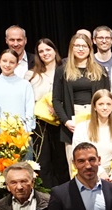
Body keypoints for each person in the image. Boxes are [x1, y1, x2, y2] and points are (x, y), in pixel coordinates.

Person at [52, 33, 110, 167]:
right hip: (72, 120)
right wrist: (66, 122)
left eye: (84, 46)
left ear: (90, 48)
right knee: (76, 164)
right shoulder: (62, 71)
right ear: (71, 48)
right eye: (77, 45)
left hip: (95, 117)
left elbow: (107, 96)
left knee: (96, 161)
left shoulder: (100, 70)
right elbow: (56, 100)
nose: (80, 49)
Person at [26, 38, 70, 187]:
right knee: (43, 161)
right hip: (41, 124)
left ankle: (65, 193)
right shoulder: (31, 75)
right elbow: (28, 100)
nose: (45, 53)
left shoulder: (66, 70)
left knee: (62, 160)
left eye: (48, 49)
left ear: (55, 51)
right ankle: (46, 195)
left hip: (62, 121)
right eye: (41, 51)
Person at [0, 49, 36, 132]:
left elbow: (30, 108)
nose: (7, 65)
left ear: (17, 64)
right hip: (1, 134)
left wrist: (26, 129)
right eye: (4, 61)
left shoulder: (25, 84)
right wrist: (0, 129)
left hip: (23, 134)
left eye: (12, 62)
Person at [72, 90, 112, 181]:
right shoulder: (82, 128)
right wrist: (100, 173)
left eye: (108, 104)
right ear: (94, 107)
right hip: (88, 172)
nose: (105, 107)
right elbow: (80, 155)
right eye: (101, 104)